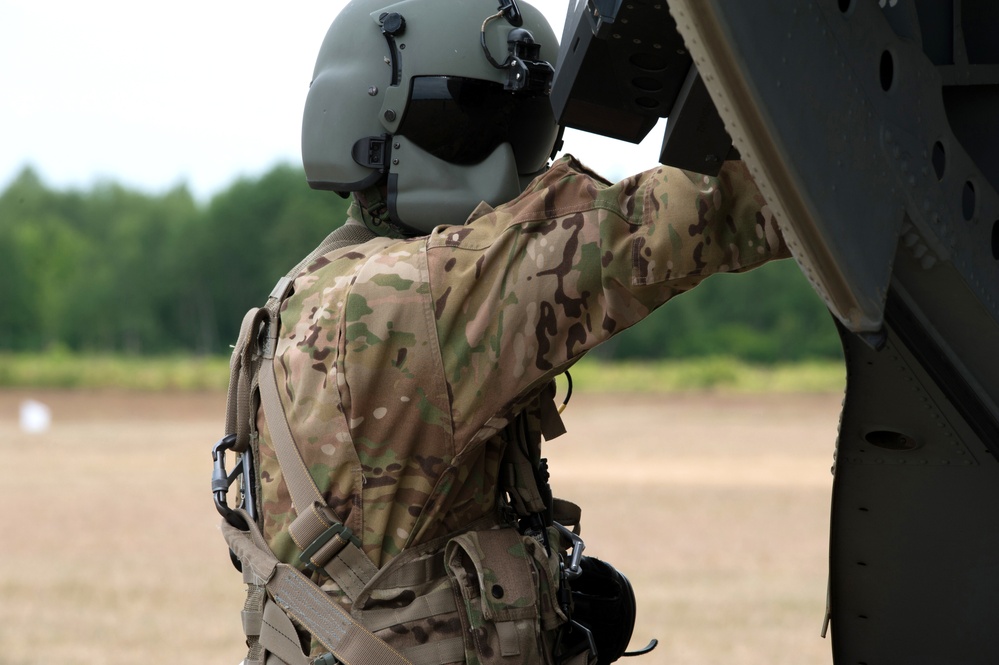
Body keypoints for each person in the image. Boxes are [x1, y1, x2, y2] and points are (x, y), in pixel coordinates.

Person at [215, 1, 789, 664]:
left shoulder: (308, 291)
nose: (497, 164)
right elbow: (692, 217)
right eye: (462, 123)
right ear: (361, 122)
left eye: (524, 128)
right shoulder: (406, 299)